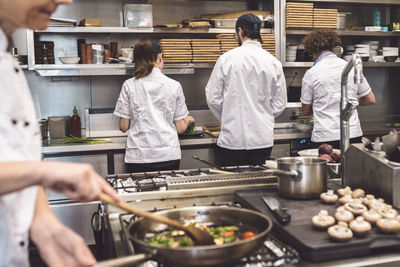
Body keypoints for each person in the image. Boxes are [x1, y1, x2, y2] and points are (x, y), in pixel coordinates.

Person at [0, 0, 120, 266]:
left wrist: (44, 224)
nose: (65, 1)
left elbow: (12, 160)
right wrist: (44, 172)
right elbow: (28, 170)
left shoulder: (7, 61)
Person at [205, 13, 287, 166]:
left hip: (232, 140)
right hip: (262, 139)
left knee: (232, 185)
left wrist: (229, 115)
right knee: (259, 185)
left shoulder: (227, 59)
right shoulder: (273, 62)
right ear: (259, 33)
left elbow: (213, 98)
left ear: (240, 31)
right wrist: (264, 115)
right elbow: (280, 103)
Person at [114, 39, 195, 173]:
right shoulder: (174, 85)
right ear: (159, 57)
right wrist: (188, 120)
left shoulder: (129, 85)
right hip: (168, 155)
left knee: (140, 193)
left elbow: (123, 127)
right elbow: (180, 128)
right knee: (166, 193)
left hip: (139, 157)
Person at [300, 29, 376, 149]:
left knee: (328, 167)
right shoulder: (350, 67)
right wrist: (352, 100)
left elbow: (305, 110)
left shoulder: (311, 73)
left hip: (325, 136)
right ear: (332, 47)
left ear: (313, 52)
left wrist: (322, 103)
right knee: (351, 167)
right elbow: (370, 99)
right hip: (352, 133)